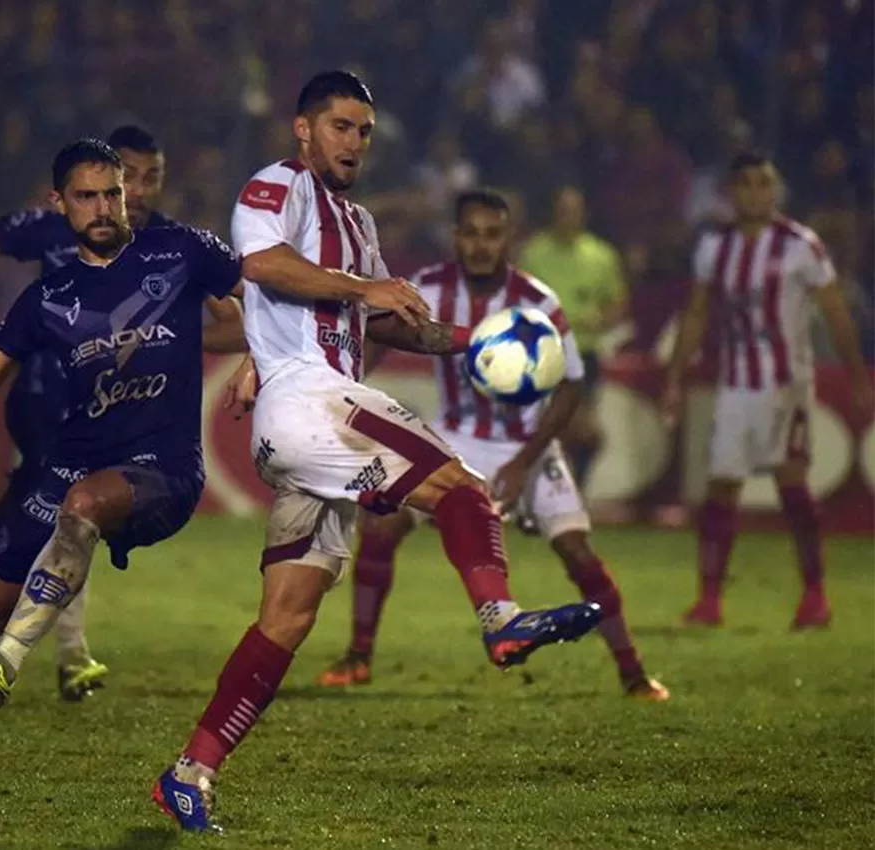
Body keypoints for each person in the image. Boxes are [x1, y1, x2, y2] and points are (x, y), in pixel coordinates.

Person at [153, 71, 601, 834]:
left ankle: (188, 773)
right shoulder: (276, 187)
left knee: (286, 619)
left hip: (317, 419)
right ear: (304, 129)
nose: (354, 141)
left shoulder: (358, 225)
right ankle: (500, 620)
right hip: (311, 399)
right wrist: (363, 292)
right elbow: (260, 267)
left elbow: (380, 321)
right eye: (340, 126)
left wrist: (467, 342)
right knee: (463, 489)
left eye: (364, 129)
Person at [0, 138, 244, 790]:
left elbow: (255, 303)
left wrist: (260, 354)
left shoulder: (179, 251)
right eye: (87, 197)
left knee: (85, 506)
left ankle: (7, 663)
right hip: (71, 460)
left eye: (112, 194)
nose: (103, 208)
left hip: (164, 469)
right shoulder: (48, 297)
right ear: (59, 205)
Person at [317, 189, 669, 701]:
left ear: (510, 238)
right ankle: (358, 656)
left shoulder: (539, 301)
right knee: (383, 524)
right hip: (454, 435)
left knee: (576, 552)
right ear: (457, 236)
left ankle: (634, 673)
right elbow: (377, 345)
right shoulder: (428, 289)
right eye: (472, 233)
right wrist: (338, 387)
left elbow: (570, 385)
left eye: (493, 234)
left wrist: (525, 463)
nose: (482, 245)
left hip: (526, 443)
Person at [663, 151, 873, 629]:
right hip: (735, 385)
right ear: (732, 192)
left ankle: (815, 595)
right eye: (747, 184)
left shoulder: (802, 245)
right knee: (721, 486)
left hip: (787, 385)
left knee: (791, 482)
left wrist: (858, 376)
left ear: (775, 190)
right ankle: (709, 600)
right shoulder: (715, 247)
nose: (758, 192)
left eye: (765, 183)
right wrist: (675, 378)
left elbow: (837, 313)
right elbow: (696, 315)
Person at [517, 186, 627, 493]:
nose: (568, 216)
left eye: (574, 210)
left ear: (584, 214)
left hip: (584, 353)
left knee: (583, 434)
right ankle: (560, 495)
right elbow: (516, 298)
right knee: (563, 429)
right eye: (563, 210)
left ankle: (567, 491)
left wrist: (602, 320)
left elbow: (618, 303)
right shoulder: (534, 252)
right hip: (543, 352)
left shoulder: (601, 256)